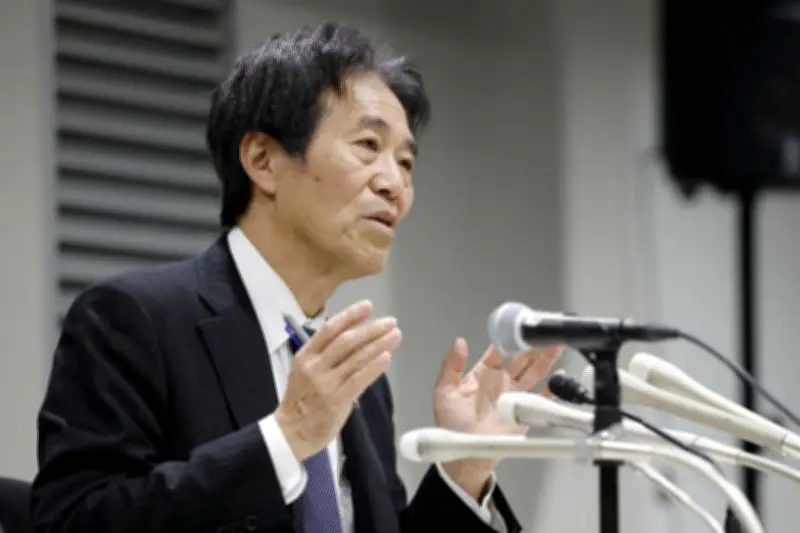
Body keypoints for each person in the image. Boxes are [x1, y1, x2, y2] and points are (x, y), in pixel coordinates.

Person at [31, 23, 561, 533]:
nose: (395, 184)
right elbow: (74, 520)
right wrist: (284, 440)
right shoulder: (135, 320)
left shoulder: (360, 379)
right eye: (369, 145)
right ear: (262, 160)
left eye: (405, 162)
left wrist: (464, 467)